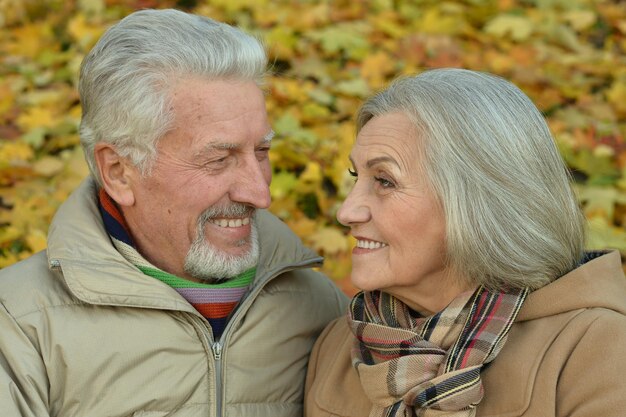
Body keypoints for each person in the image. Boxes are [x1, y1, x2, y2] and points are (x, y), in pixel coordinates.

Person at [0, 8, 348, 417]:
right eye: (219, 159)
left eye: (262, 151)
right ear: (119, 171)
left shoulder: (323, 308)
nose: (259, 192)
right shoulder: (19, 324)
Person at [304, 68, 626, 417]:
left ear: (476, 201)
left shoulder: (597, 350)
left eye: (384, 181)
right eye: (357, 176)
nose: (347, 211)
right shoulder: (337, 345)